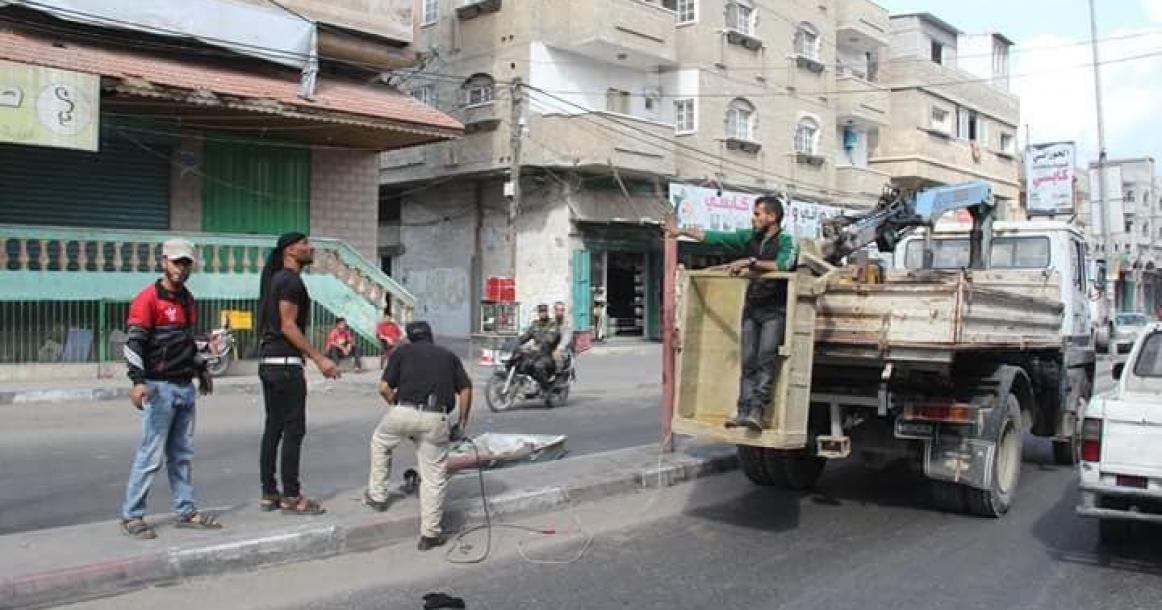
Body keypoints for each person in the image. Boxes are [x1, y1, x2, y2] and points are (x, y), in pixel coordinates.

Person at [666, 195, 799, 431]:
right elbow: (716, 237)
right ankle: (743, 411)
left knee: (765, 360)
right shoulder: (750, 237)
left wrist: (750, 262)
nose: (753, 218)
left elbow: (783, 265)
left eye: (757, 214)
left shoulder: (787, 240)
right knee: (748, 362)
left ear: (772, 217)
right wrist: (682, 232)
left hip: (774, 311)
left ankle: (757, 411)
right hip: (752, 308)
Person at [120, 238, 220, 539]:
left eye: (186, 263)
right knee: (150, 455)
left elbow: (187, 343)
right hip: (158, 387)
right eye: (176, 262)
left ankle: (186, 510)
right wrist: (138, 381)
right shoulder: (147, 299)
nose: (181, 268)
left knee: (182, 454)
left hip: (184, 387)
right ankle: (132, 515)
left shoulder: (188, 300)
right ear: (164, 262)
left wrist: (201, 369)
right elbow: (133, 344)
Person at [365, 321, 473, 551]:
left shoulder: (401, 352)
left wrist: (398, 408)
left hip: (403, 410)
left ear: (410, 337)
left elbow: (383, 388)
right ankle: (429, 535)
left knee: (381, 443)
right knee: (433, 477)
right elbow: (465, 388)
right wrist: (462, 423)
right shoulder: (448, 356)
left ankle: (377, 496)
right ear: (430, 336)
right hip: (436, 417)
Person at [256, 232, 340, 516]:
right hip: (285, 365)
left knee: (273, 428)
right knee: (293, 430)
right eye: (304, 243)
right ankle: (292, 496)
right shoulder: (290, 281)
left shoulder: (274, 280)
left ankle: (269, 493)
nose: (310, 247)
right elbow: (288, 326)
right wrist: (319, 358)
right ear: (290, 251)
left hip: (269, 362)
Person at [515, 303, 561, 393]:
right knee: (521, 363)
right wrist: (514, 342)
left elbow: (550, 340)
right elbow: (526, 336)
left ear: (547, 312)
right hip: (536, 354)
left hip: (548, 355)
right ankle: (527, 386)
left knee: (538, 366)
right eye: (541, 312)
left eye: (544, 311)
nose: (542, 313)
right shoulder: (535, 324)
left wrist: (537, 346)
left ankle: (546, 390)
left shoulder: (553, 325)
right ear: (538, 313)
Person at [376, 303, 403, 370]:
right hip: (387, 342)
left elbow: (400, 333)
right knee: (394, 347)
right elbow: (380, 335)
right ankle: (391, 357)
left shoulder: (394, 325)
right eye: (386, 318)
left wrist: (400, 338)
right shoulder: (381, 325)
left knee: (404, 342)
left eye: (389, 318)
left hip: (396, 341)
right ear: (384, 318)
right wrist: (387, 338)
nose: (388, 319)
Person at [552, 300, 573, 371]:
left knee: (556, 356)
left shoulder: (567, 324)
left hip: (563, 351)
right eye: (557, 309)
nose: (559, 312)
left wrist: (559, 348)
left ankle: (558, 374)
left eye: (561, 310)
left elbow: (566, 338)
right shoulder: (550, 322)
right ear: (554, 310)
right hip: (549, 349)